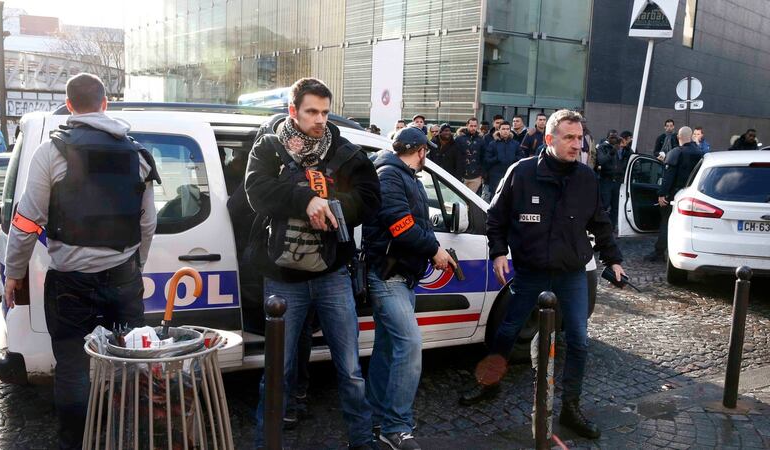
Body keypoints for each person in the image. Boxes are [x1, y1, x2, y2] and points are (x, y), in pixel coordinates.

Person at [3, 73, 160, 450]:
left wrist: (15, 271)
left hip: (70, 282)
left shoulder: (51, 153)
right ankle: (130, 438)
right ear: (106, 103)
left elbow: (25, 221)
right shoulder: (138, 155)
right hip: (123, 278)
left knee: (72, 368)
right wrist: (136, 264)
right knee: (128, 361)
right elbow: (148, 221)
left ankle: (76, 442)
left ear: (69, 106)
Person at [459, 109, 626, 441]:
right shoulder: (521, 173)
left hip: (571, 273)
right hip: (530, 270)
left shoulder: (586, 178)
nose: (577, 144)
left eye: (579, 138)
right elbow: (495, 217)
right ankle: (489, 385)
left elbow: (601, 222)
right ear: (549, 139)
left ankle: (571, 407)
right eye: (569, 137)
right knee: (507, 331)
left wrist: (614, 259)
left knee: (578, 340)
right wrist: (498, 252)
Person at [245, 78, 381, 450]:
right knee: (277, 372)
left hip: (332, 275)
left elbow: (370, 199)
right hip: (283, 280)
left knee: (351, 371)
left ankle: (362, 442)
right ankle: (266, 443)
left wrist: (335, 208)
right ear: (293, 111)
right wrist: (305, 200)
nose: (320, 119)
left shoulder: (346, 151)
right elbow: (256, 191)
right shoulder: (270, 147)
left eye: (324, 111)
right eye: (311, 112)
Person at [363, 127, 455, 450]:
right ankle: (395, 426)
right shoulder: (390, 175)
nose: (425, 155)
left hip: (401, 277)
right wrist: (434, 250)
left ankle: (373, 419)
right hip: (389, 278)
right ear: (418, 151)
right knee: (410, 344)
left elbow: (413, 222)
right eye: (425, 150)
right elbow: (401, 227)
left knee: (388, 350)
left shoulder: (404, 177)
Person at [647, 126, 702, 262]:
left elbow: (668, 177)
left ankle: (660, 252)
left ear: (678, 137)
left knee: (666, 223)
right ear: (691, 136)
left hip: (674, 194)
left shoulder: (676, 153)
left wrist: (662, 194)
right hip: (693, 195)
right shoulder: (700, 153)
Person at [484, 121, 523, 193]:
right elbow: (487, 160)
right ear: (499, 130)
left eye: (508, 129)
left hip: (511, 176)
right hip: (496, 177)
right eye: (503, 129)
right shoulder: (493, 144)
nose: (506, 131)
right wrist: (497, 158)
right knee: (495, 199)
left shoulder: (515, 144)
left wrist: (513, 158)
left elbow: (521, 158)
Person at [594, 130, 621, 226]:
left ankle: (612, 227)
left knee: (615, 206)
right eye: (611, 137)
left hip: (616, 180)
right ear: (607, 138)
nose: (614, 139)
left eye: (615, 137)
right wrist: (612, 152)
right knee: (604, 204)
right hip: (606, 179)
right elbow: (601, 160)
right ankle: (602, 227)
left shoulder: (620, 148)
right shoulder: (602, 147)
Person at [454, 117, 485, 194]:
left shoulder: (481, 140)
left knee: (470, 201)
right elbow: (455, 156)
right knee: (459, 198)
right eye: (471, 126)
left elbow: (483, 157)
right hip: (461, 175)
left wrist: (481, 174)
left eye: (475, 126)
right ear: (467, 125)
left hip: (476, 176)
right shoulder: (459, 139)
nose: (473, 128)